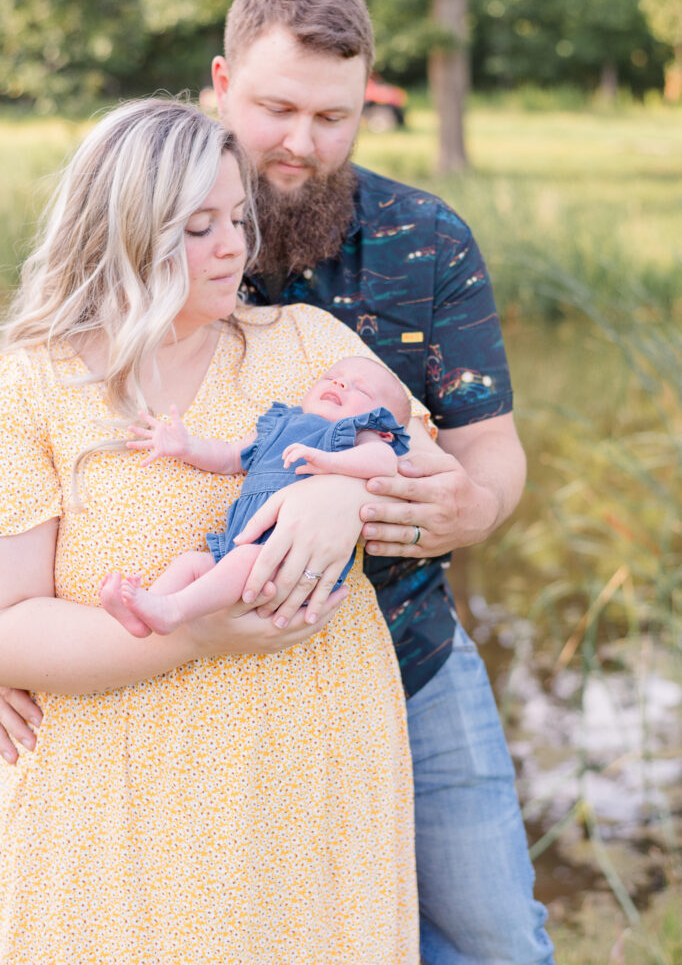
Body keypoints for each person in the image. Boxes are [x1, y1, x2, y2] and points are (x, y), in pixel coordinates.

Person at [0, 0, 556, 965]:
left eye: (334, 117)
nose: (303, 142)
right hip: (142, 721)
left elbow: (471, 448)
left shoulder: (416, 247)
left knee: (492, 939)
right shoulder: (98, 295)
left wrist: (402, 501)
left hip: (395, 652)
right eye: (277, 108)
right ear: (221, 86)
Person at [0, 97, 429, 963]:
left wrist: (338, 497)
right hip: (121, 805)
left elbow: (428, 472)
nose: (235, 246)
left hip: (311, 787)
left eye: (237, 218)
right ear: (120, 231)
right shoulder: (28, 384)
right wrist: (197, 635)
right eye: (198, 227)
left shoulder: (311, 346)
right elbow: (10, 629)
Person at [101, 355, 411, 637]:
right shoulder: (280, 424)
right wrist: (186, 447)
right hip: (246, 543)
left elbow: (385, 462)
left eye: (362, 390)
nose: (340, 383)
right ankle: (145, 614)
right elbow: (228, 457)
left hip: (293, 559)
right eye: (331, 377)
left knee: (246, 560)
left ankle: (173, 611)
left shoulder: (357, 434)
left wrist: (331, 462)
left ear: (384, 428)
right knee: (192, 564)